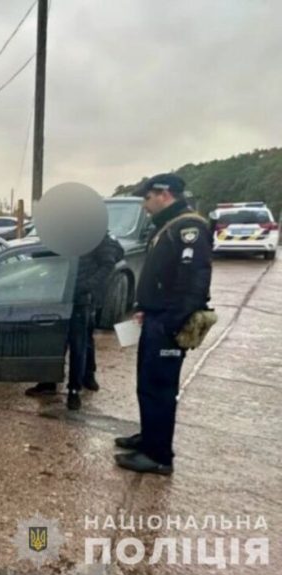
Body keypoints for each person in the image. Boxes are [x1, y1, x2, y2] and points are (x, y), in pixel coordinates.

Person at [115, 173, 212, 475]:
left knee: (160, 388)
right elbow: (163, 279)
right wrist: (146, 308)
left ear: (164, 194)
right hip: (156, 318)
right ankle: (149, 438)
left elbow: (191, 286)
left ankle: (158, 456)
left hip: (168, 325)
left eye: (147, 198)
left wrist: (170, 325)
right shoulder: (170, 226)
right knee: (147, 384)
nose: (144, 205)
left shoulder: (189, 228)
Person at [25, 232, 123, 410]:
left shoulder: (95, 233)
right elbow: (40, 256)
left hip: (81, 299)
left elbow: (108, 263)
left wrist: (86, 286)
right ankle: (48, 382)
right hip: (56, 295)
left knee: (80, 345)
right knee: (53, 342)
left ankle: (75, 389)